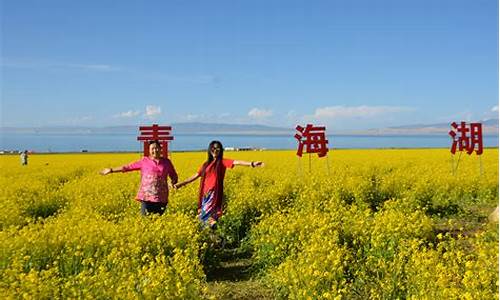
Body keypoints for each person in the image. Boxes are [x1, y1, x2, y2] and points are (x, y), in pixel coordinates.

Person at [174, 140, 263, 228]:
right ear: (210, 150)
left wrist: (252, 164)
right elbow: (196, 176)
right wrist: (181, 184)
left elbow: (236, 162)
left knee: (204, 216)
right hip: (205, 194)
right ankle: (214, 230)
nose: (215, 150)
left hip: (214, 193)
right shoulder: (206, 164)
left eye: (218, 149)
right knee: (204, 215)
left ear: (220, 151)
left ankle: (214, 227)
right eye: (213, 148)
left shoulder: (222, 162)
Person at [100, 140, 178, 216]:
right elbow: (127, 167)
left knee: (158, 221)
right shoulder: (144, 161)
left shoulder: (167, 162)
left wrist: (173, 181)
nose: (155, 150)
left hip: (161, 197)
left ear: (160, 149)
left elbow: (173, 175)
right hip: (146, 197)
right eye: (152, 149)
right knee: (144, 219)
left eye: (157, 148)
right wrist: (111, 170)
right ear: (149, 150)